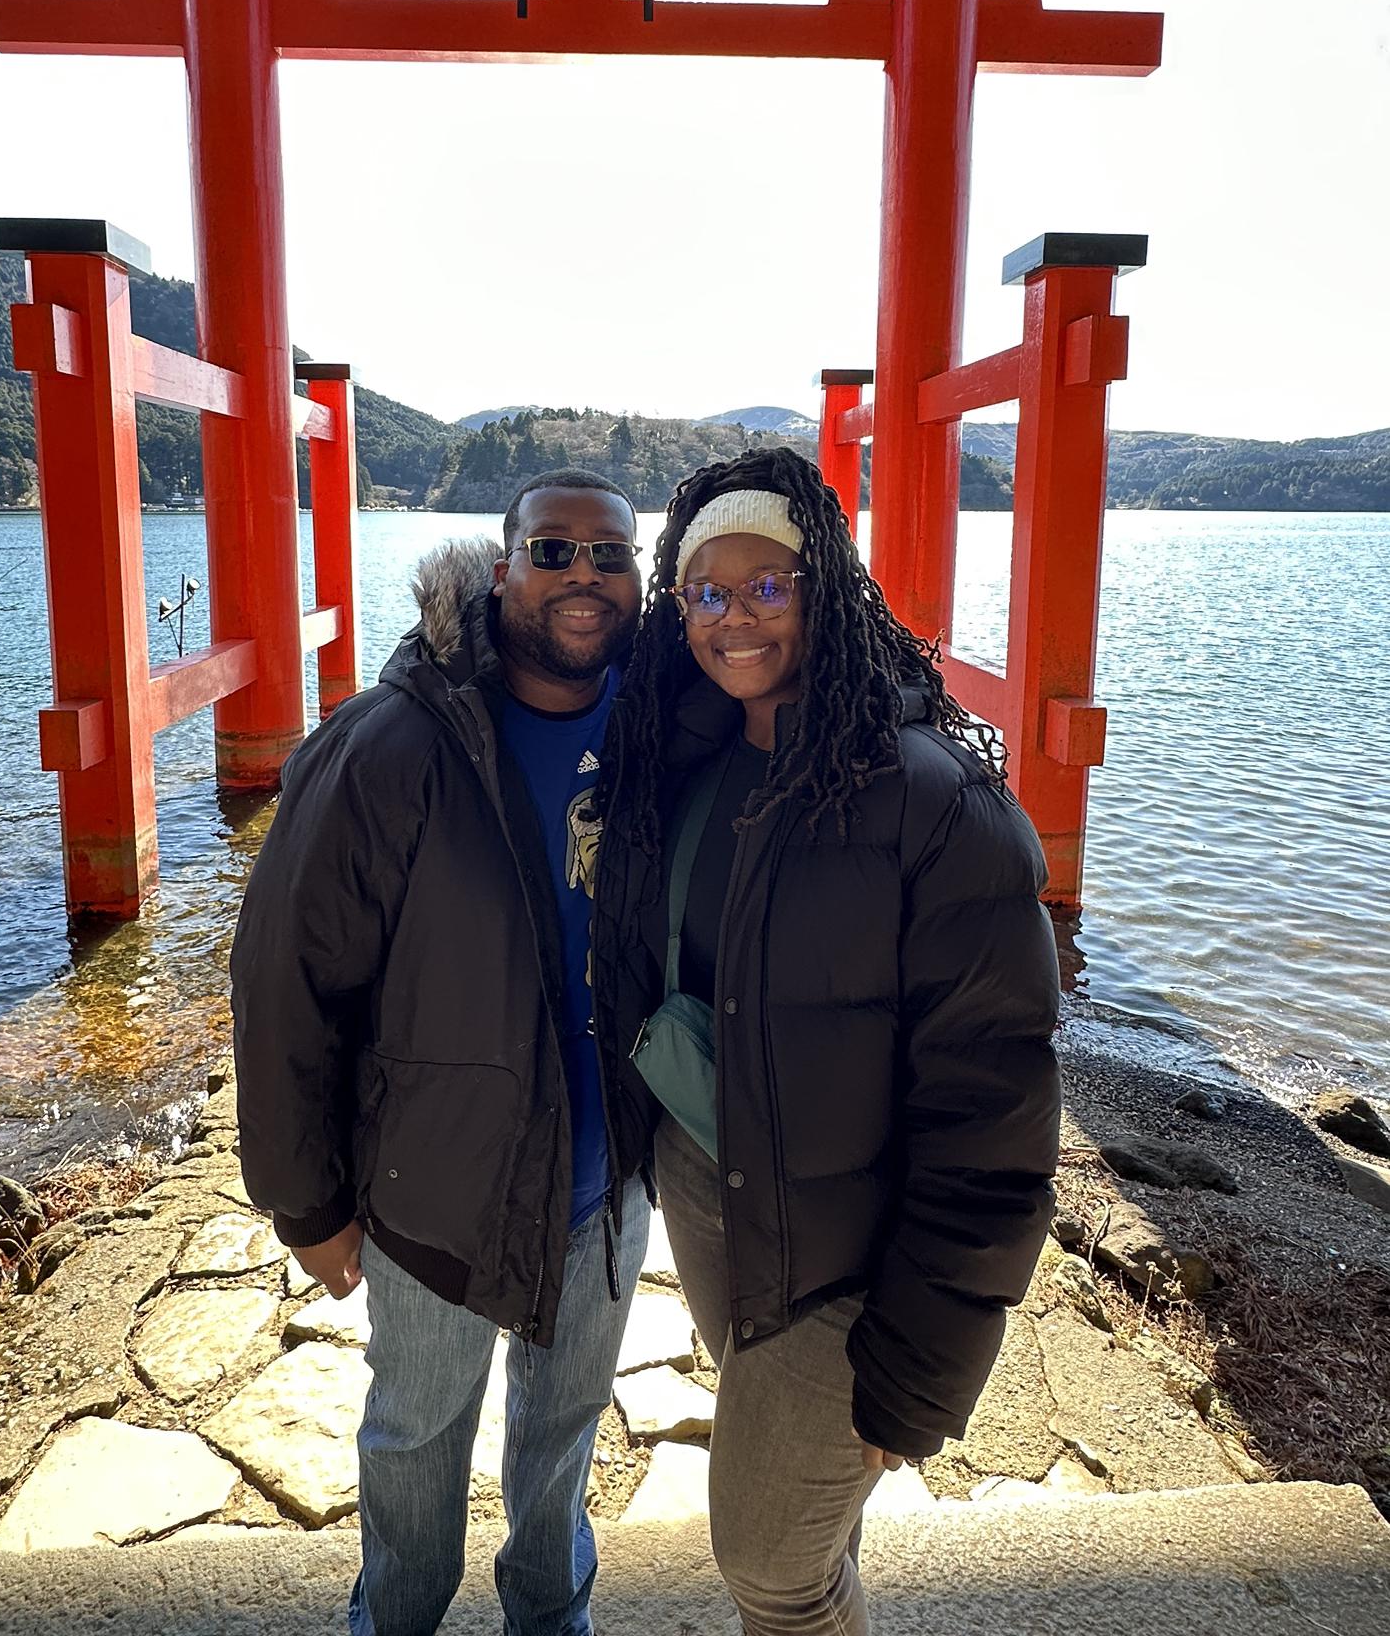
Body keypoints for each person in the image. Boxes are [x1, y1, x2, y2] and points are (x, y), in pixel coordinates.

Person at [593, 447, 1061, 1636]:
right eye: (707, 590)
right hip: (717, 1191)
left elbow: (993, 1120)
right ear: (677, 604)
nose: (735, 616)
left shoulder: (936, 801)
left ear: (827, 590)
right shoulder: (692, 757)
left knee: (767, 1561)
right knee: (812, 1529)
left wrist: (918, 1367)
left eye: (769, 585)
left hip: (851, 1257)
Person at [230, 469, 653, 1636]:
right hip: (437, 1177)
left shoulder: (663, 722)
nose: (582, 576)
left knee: (565, 1431)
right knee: (416, 1433)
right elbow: (283, 981)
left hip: (606, 1176)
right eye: (553, 550)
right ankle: (397, 1622)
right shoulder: (392, 743)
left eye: (609, 555)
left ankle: (548, 1617)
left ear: (638, 578)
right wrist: (305, 1199)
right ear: (499, 565)